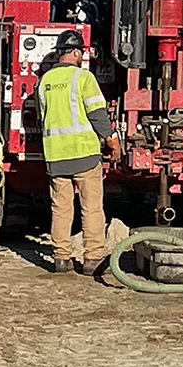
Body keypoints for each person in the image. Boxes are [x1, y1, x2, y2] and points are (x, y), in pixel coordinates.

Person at [37, 32, 116, 275]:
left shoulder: (44, 82)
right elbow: (97, 113)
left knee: (60, 209)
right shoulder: (84, 78)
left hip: (56, 156)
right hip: (84, 155)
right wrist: (112, 139)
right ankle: (92, 260)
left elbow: (43, 118)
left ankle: (61, 258)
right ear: (76, 53)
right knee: (91, 207)